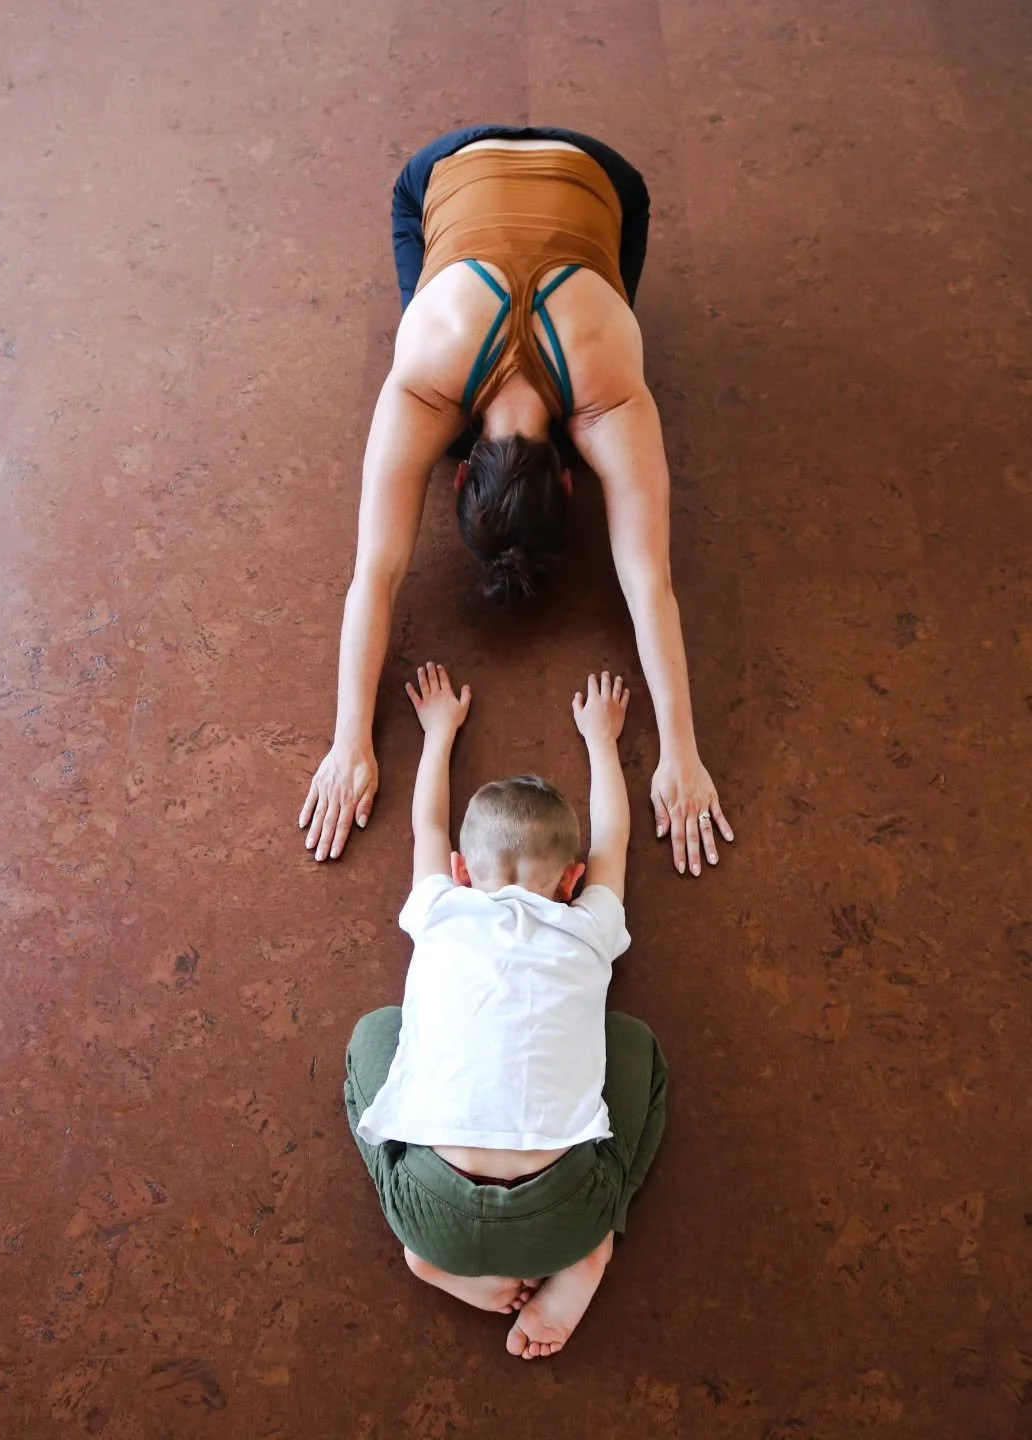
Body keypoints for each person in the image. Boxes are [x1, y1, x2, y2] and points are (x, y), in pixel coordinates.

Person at [299, 125, 735, 878]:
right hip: (458, 168)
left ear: (564, 478)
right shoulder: (431, 376)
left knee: (595, 279)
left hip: (604, 174)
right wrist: (677, 755)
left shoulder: (596, 393)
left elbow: (377, 573)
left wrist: (354, 742)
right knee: (427, 290)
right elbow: (646, 586)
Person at [344, 663, 668, 1359]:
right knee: (635, 1043)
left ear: (461, 871)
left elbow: (427, 822)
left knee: (374, 1034)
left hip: (436, 1218)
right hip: (565, 1215)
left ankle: (428, 1261)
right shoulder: (588, 924)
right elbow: (615, 839)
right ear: (573, 882)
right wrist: (600, 738)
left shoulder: (439, 905)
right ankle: (594, 1248)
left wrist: (439, 732)